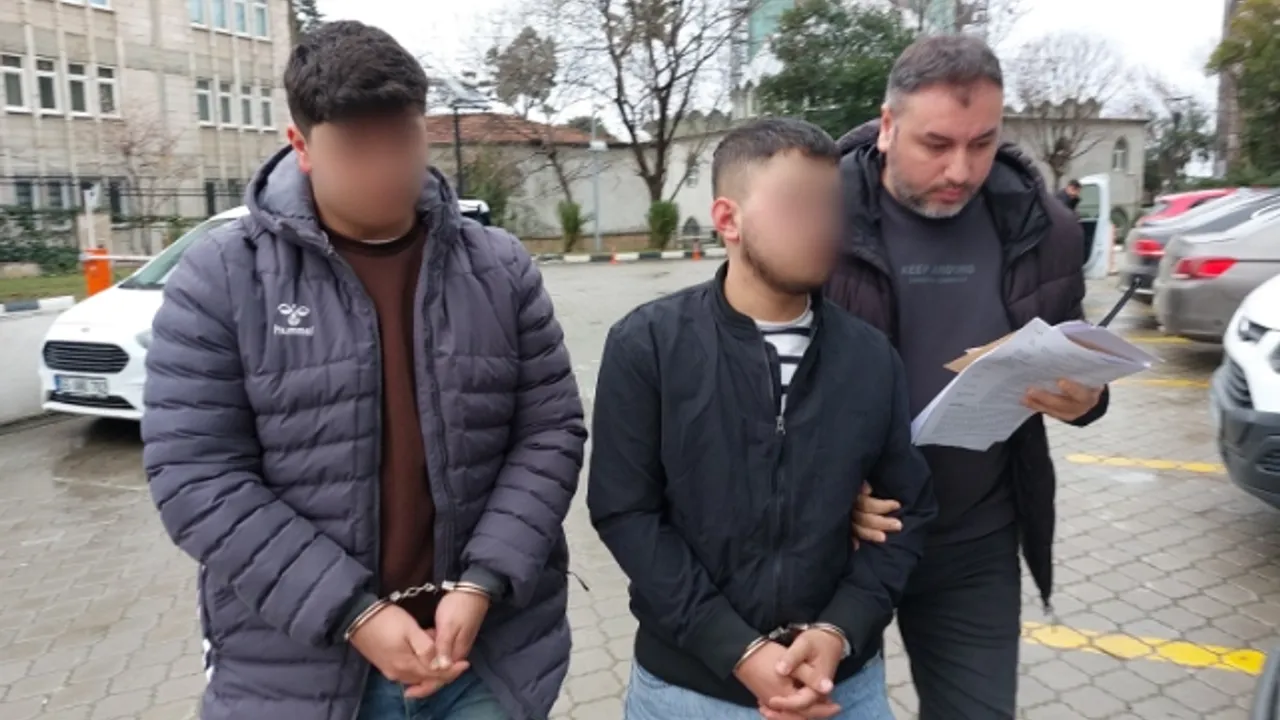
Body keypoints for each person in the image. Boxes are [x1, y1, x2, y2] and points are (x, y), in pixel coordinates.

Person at [141, 21, 586, 720]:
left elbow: (550, 432)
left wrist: (484, 581)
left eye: (402, 139)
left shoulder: (500, 269)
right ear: (301, 146)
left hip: (486, 660)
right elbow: (196, 475)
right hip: (303, 673)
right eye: (356, 147)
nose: (385, 169)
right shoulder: (221, 278)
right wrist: (352, 612)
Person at [588, 117, 936, 720]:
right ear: (728, 219)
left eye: (831, 206)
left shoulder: (869, 357)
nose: (824, 227)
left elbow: (909, 510)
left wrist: (841, 629)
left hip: (841, 688)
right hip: (687, 692)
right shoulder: (648, 346)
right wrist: (737, 649)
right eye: (798, 205)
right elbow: (626, 512)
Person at [824, 35, 1109, 720]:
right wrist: (825, 492)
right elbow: (751, 377)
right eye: (937, 144)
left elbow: (1070, 353)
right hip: (841, 542)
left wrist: (1088, 398)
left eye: (982, 143)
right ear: (887, 126)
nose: (961, 169)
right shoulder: (817, 213)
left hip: (975, 539)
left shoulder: (1041, 226)